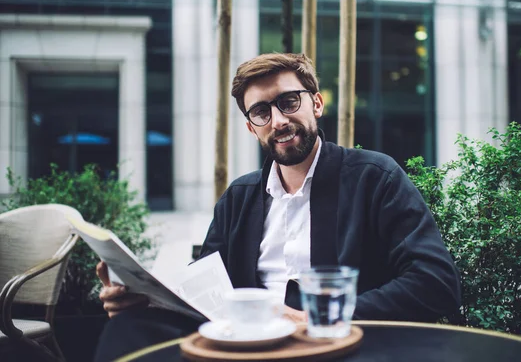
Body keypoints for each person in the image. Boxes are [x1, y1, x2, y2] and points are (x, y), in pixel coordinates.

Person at [94, 53, 461, 361]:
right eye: (261, 112)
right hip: (246, 346)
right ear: (252, 128)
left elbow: (435, 282)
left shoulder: (375, 177)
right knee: (128, 329)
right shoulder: (239, 197)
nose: (279, 121)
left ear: (316, 104)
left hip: (332, 345)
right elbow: (203, 289)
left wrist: (314, 317)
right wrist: (142, 300)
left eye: (289, 102)